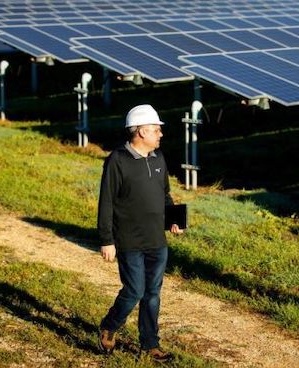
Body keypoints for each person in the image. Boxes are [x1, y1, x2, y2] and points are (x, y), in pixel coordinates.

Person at [97, 104, 183, 362]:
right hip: (129, 241)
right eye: (156, 130)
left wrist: (174, 220)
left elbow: (165, 194)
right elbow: (106, 202)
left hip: (157, 240)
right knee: (134, 291)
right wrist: (106, 240)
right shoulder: (117, 160)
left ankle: (150, 344)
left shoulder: (159, 159)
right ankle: (110, 325)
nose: (161, 134)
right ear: (142, 132)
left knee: (153, 294)